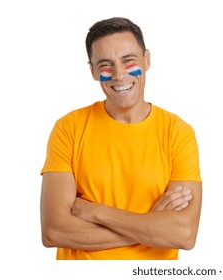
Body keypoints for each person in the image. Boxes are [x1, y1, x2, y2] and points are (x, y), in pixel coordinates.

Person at [40, 17, 202, 260]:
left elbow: (184, 234)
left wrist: (96, 212)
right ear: (93, 71)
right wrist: (152, 227)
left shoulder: (177, 132)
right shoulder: (69, 128)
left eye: (129, 61)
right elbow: (53, 231)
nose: (119, 75)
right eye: (105, 65)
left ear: (147, 60)